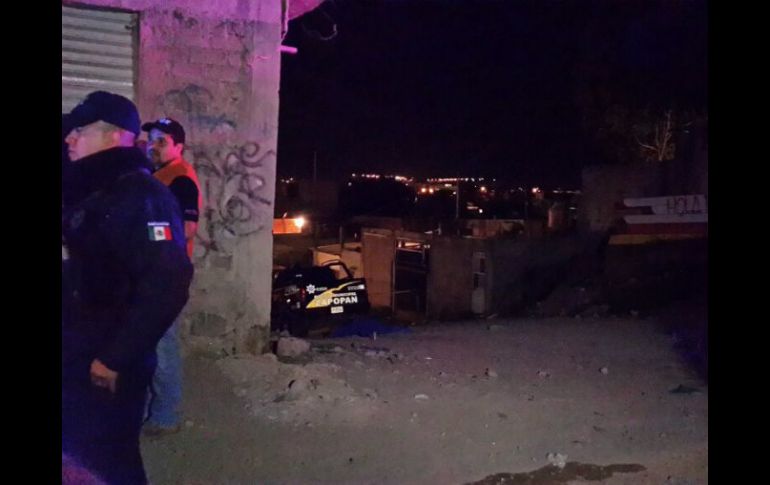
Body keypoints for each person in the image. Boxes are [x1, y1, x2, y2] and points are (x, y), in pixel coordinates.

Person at [62, 91, 193, 484]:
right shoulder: (97, 187)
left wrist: (114, 359)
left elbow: (168, 281)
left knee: (108, 461)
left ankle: (164, 415)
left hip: (107, 355)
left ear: (115, 136)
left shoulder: (142, 194)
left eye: (81, 130)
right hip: (81, 346)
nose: (69, 138)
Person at [141, 117, 202, 436]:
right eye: (151, 139)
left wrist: (146, 234)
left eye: (161, 141)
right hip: (150, 272)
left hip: (165, 275)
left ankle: (165, 416)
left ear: (179, 146)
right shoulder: (156, 175)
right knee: (146, 342)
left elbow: (187, 228)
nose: (153, 145)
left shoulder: (181, 179)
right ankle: (148, 410)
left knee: (163, 346)